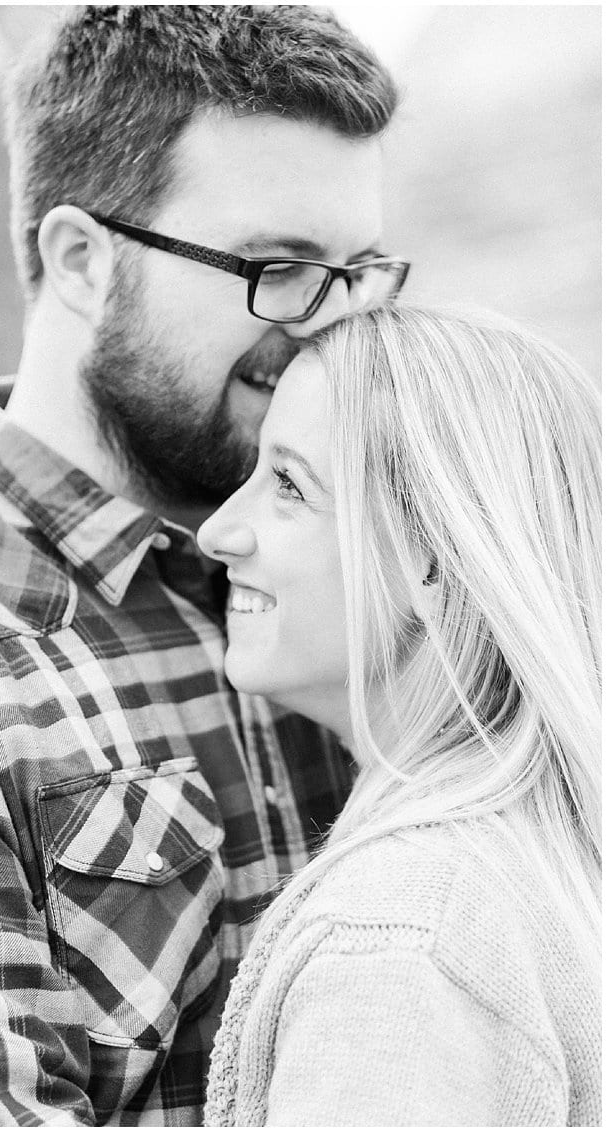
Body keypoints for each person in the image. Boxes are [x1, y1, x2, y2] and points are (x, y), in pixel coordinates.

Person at [0, 7, 408, 1124]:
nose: (330, 324)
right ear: (81, 260)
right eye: (282, 267)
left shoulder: (383, 560)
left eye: (356, 272)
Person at [197, 304, 601, 1125]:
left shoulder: (398, 940)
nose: (215, 532)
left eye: (287, 484)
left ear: (434, 557)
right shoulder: (522, 866)